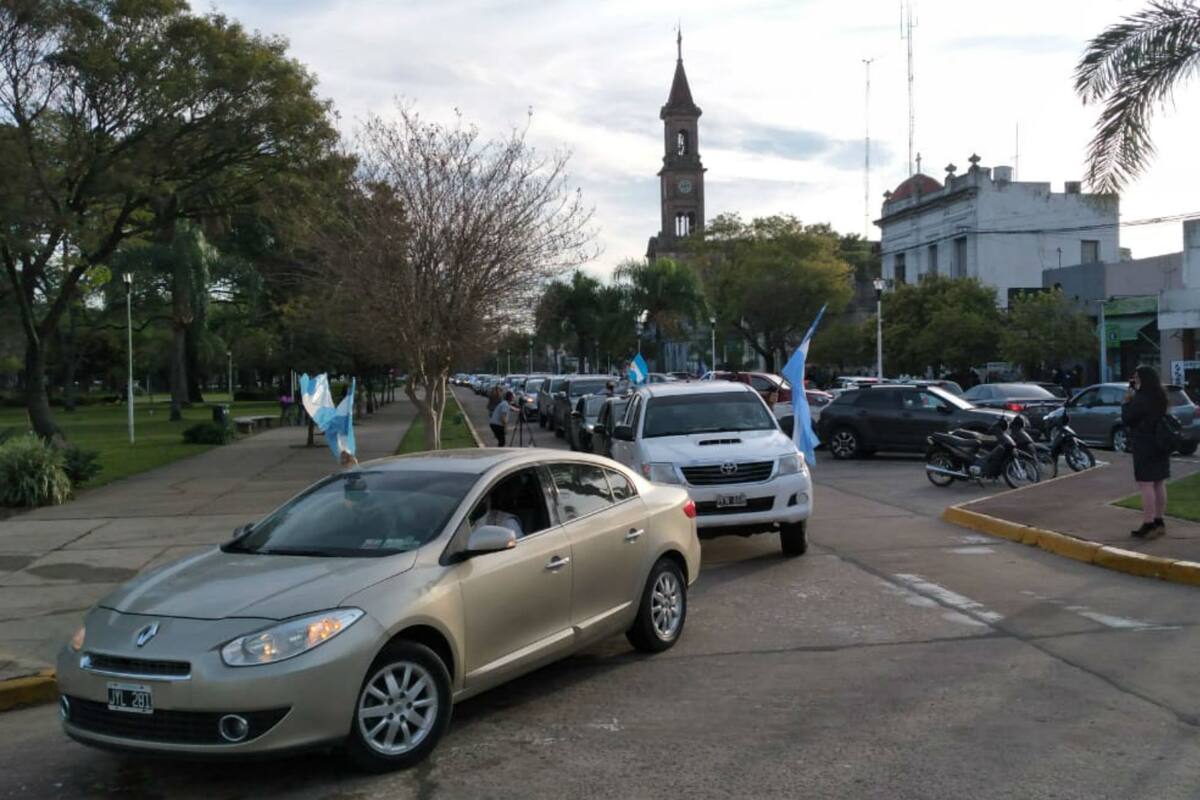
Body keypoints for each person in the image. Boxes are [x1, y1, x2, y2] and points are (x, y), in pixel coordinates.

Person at [1121, 365, 1170, 538]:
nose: (1134, 380)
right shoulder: (1160, 395)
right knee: (1158, 482)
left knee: (1146, 484)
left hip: (1145, 443)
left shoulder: (1141, 398)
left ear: (1143, 379)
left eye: (1136, 377)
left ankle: (1148, 523)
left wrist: (1127, 401)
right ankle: (1159, 520)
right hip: (1161, 443)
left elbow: (1127, 418)